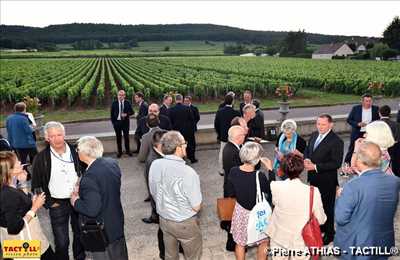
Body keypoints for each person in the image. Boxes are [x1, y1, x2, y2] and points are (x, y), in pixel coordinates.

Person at [335, 142, 400, 260]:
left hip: (357, 244)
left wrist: (340, 197)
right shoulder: (394, 181)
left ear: (359, 161)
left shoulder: (353, 186)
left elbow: (341, 218)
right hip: (382, 242)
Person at [31, 121, 85, 260]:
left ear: (64, 134)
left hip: (78, 200)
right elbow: (36, 185)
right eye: (52, 136)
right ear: (47, 138)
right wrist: (48, 203)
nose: (57, 139)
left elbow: (87, 172)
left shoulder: (76, 151)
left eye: (59, 134)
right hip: (57, 203)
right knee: (62, 241)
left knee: (80, 234)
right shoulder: (41, 158)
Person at [70, 136, 128, 260]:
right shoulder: (111, 163)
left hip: (100, 232)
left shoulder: (89, 177)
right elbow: (104, 187)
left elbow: (92, 209)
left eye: (78, 150)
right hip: (116, 224)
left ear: (85, 153)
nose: (77, 152)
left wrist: (75, 201)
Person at [149, 131, 203, 260]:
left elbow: (153, 192)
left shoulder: (155, 164)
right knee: (193, 256)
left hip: (164, 220)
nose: (186, 146)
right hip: (184, 223)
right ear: (178, 148)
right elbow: (196, 206)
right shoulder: (188, 172)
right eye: (184, 143)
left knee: (170, 255)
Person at [267, 153, 326, 260]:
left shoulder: (275, 186)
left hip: (279, 236)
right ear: (301, 169)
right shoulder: (313, 191)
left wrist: (270, 169)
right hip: (301, 240)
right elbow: (321, 219)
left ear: (283, 170)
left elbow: (275, 202)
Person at [0, 151, 55, 260]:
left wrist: (23, 183)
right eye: (17, 162)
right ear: (10, 170)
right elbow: (14, 227)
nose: (20, 162)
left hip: (27, 241)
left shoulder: (10, 186)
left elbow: (20, 205)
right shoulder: (7, 194)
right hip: (24, 244)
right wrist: (35, 207)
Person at [225, 142, 273, 260]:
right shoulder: (259, 176)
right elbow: (270, 191)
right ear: (257, 159)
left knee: (240, 243)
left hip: (241, 212)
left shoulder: (233, 171)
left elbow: (230, 192)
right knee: (263, 242)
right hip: (258, 215)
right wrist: (271, 170)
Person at [304, 114, 344, 245]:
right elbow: (307, 150)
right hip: (313, 178)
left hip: (327, 180)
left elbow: (336, 163)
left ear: (331, 125)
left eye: (323, 124)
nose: (320, 127)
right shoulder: (314, 134)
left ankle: (330, 233)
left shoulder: (337, 141)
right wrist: (307, 158)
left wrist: (315, 166)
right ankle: (320, 227)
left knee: (328, 207)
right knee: (315, 206)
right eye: (318, 124)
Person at [221, 125, 247, 252]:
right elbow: (239, 173)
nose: (245, 136)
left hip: (229, 187)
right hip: (234, 191)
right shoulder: (234, 151)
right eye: (243, 135)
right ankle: (233, 244)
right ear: (237, 137)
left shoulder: (229, 147)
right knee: (235, 219)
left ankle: (232, 243)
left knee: (233, 218)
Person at [344, 94, 379, 163]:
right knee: (352, 148)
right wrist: (358, 124)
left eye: (370, 101)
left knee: (369, 149)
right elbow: (349, 120)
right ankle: (347, 164)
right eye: (366, 101)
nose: (368, 103)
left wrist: (372, 123)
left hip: (370, 133)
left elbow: (378, 120)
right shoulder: (356, 108)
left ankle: (366, 164)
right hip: (357, 132)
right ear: (362, 101)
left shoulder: (376, 108)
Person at [142, 130, 167, 224]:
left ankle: (155, 216)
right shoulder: (153, 160)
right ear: (159, 144)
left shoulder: (160, 154)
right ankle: (155, 216)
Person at [214, 94, 241, 176]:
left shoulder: (219, 112)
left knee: (222, 152)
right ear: (232, 101)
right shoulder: (236, 113)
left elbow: (216, 125)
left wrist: (219, 134)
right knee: (236, 153)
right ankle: (236, 169)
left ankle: (221, 170)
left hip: (223, 136)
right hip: (234, 136)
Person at [138, 114, 161, 202]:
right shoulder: (166, 133)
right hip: (165, 162)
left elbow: (142, 157)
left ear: (147, 124)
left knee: (149, 178)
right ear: (159, 122)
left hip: (151, 164)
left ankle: (151, 195)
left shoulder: (145, 137)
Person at [169, 94, 197, 164]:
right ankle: (192, 158)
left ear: (175, 100)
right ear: (181, 100)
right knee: (190, 145)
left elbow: (170, 122)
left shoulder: (171, 110)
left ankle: (178, 159)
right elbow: (192, 120)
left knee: (177, 146)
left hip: (176, 132)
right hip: (187, 131)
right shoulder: (187, 108)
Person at [111, 90, 134, 158]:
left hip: (125, 123)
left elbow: (132, 112)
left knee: (126, 137)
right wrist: (114, 123)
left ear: (124, 96)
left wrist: (126, 114)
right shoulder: (114, 103)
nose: (120, 96)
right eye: (119, 95)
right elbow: (111, 114)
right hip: (117, 123)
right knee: (118, 138)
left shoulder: (127, 102)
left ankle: (128, 151)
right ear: (117, 96)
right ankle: (119, 152)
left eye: (122, 95)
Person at [379, 105, 400, 176]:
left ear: (379, 113)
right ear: (390, 113)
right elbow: (397, 139)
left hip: (380, 151)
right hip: (394, 150)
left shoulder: (375, 124)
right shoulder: (396, 125)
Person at [184, 95, 200, 163]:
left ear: (190, 101)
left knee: (192, 144)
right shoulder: (183, 108)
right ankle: (186, 155)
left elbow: (197, 117)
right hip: (184, 129)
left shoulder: (194, 108)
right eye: (184, 101)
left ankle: (192, 157)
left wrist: (192, 124)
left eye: (187, 101)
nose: (185, 102)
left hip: (191, 129)